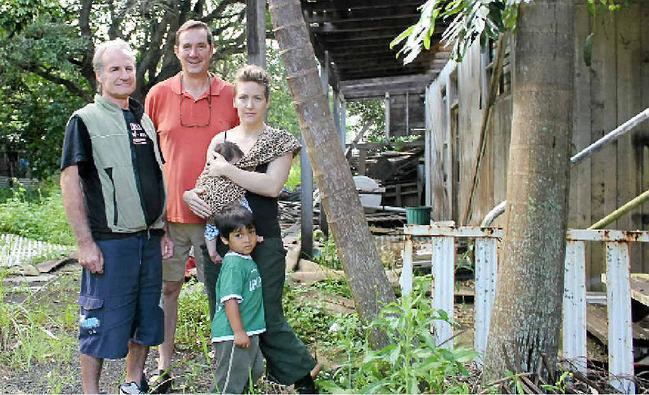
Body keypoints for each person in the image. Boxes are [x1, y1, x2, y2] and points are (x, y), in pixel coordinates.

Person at [185, 64, 318, 393]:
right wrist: (190, 195)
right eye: (243, 97)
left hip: (263, 239)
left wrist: (228, 169)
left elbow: (271, 186)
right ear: (234, 101)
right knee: (226, 313)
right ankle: (234, 383)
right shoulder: (220, 140)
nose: (249, 104)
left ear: (267, 101)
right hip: (221, 240)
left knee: (267, 313)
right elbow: (206, 183)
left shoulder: (278, 142)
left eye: (256, 98)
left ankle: (302, 375)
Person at [60, 39, 173, 394]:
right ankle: (91, 391)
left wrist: (163, 229)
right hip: (110, 242)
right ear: (98, 76)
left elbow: (155, 177)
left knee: (146, 317)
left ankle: (131, 384)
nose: (124, 75)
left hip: (149, 239)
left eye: (128, 68)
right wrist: (85, 243)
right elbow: (71, 181)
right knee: (97, 320)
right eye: (115, 69)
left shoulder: (143, 120)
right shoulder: (84, 120)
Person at [144, 20, 239, 390]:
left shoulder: (231, 94)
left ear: (211, 50)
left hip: (218, 216)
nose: (194, 53)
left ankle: (225, 364)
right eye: (187, 47)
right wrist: (155, 216)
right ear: (177, 51)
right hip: (170, 217)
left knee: (221, 292)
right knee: (168, 290)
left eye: (201, 46)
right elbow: (148, 157)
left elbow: (242, 150)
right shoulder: (158, 95)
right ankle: (163, 364)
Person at [211, 204, 265, 393]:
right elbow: (230, 300)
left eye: (251, 233)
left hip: (249, 330)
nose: (247, 240)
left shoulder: (244, 259)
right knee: (229, 382)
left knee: (254, 371)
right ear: (225, 239)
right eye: (238, 235)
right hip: (233, 334)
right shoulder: (234, 264)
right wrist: (239, 331)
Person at [200, 141, 248, 264]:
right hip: (228, 211)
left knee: (210, 231)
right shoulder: (217, 175)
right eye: (235, 164)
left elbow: (200, 183)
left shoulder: (207, 173)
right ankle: (251, 234)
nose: (237, 167)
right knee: (247, 213)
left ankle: (212, 252)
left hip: (212, 215)